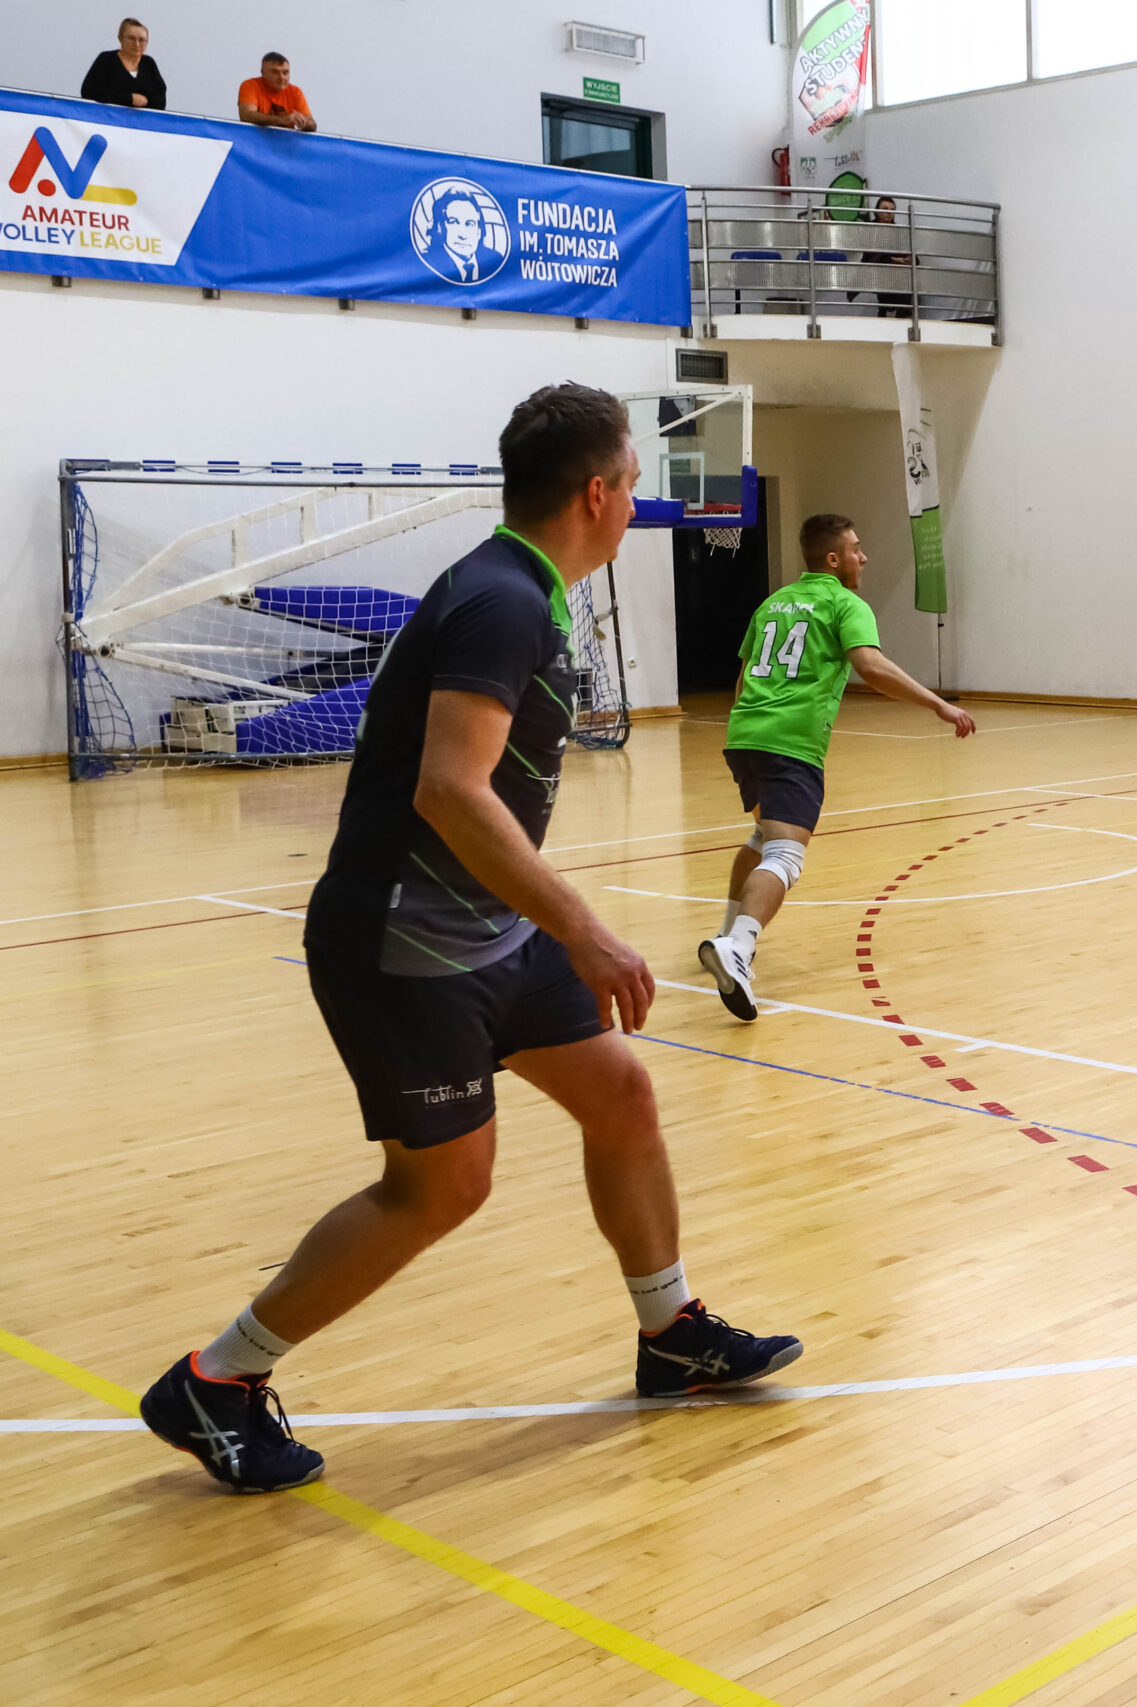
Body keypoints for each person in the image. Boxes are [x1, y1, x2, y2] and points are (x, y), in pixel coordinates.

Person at [138, 385, 803, 1494]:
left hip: (484, 926)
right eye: (634, 483)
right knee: (440, 1187)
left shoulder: (521, 588)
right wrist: (585, 929)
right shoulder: (501, 601)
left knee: (621, 1095)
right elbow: (450, 789)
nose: (637, 500)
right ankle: (218, 1378)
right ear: (597, 493)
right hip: (403, 942)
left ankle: (672, 1333)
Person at [697, 514, 975, 1020]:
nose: (863, 557)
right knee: (785, 856)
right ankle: (738, 947)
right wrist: (938, 704)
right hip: (791, 743)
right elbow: (871, 667)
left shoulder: (773, 602)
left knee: (762, 836)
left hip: (744, 735)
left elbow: (743, 676)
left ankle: (725, 933)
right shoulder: (846, 604)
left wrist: (748, 731)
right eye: (856, 548)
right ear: (833, 559)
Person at [80, 18, 165, 109]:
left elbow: (160, 99)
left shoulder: (149, 64)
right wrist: (129, 99)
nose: (137, 44)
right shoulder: (106, 59)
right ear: (121, 38)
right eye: (132, 38)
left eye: (141, 40)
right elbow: (89, 91)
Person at [237, 52, 317, 131]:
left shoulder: (295, 92)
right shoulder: (250, 86)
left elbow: (312, 124)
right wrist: (282, 120)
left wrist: (304, 122)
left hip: (285, 138)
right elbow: (246, 115)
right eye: (275, 72)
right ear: (263, 72)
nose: (282, 77)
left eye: (285, 73)